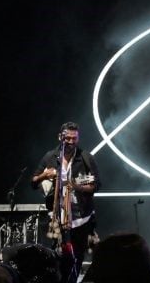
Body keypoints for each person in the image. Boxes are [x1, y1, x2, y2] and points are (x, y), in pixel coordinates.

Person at [31, 121, 101, 283]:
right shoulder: (50, 157)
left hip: (81, 217)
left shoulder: (85, 158)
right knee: (61, 256)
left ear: (78, 138)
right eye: (67, 138)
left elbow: (97, 184)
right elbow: (33, 182)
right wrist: (44, 175)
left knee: (77, 255)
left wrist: (77, 186)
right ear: (60, 137)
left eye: (74, 138)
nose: (70, 141)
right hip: (57, 216)